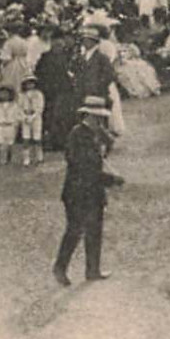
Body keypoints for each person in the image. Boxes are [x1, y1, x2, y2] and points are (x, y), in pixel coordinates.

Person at [52, 96, 122, 285]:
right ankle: (60, 268)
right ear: (88, 116)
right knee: (75, 229)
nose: (101, 121)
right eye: (97, 118)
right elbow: (85, 169)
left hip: (94, 191)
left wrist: (106, 141)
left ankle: (93, 270)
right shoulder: (77, 135)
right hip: (77, 191)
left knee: (95, 230)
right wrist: (111, 180)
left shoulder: (95, 133)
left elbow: (106, 151)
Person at [0, 86, 21, 167]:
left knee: (9, 144)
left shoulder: (14, 105)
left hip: (10, 126)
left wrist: (16, 124)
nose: (4, 95)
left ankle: (8, 160)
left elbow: (17, 115)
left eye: (6, 93)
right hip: (0, 126)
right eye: (1, 94)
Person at [17, 77, 45, 167]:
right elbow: (19, 108)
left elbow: (40, 108)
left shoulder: (39, 94)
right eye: (28, 83)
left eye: (32, 83)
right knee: (26, 138)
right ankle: (26, 159)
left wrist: (33, 117)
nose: (30, 85)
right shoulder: (21, 95)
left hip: (36, 117)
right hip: (25, 117)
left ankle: (39, 157)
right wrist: (24, 117)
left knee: (37, 138)